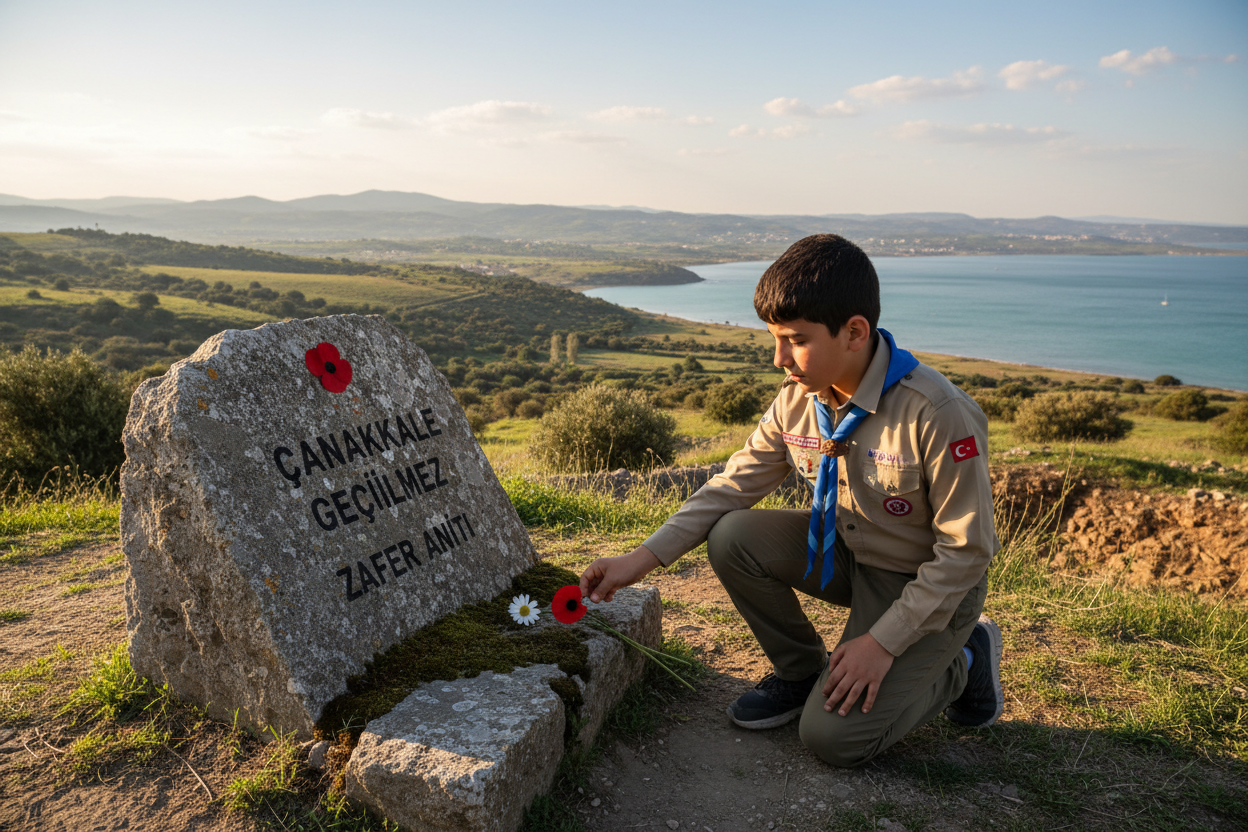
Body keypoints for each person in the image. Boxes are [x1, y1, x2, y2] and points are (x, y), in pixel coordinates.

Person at [578, 233, 1002, 768]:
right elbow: (731, 486)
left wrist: (883, 643)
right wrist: (638, 560)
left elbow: (967, 551)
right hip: (845, 554)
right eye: (775, 338)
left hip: (925, 586)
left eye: (796, 340)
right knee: (733, 535)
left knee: (834, 739)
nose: (779, 358)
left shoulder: (936, 412)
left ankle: (966, 659)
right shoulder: (797, 400)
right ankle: (801, 673)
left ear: (854, 332)